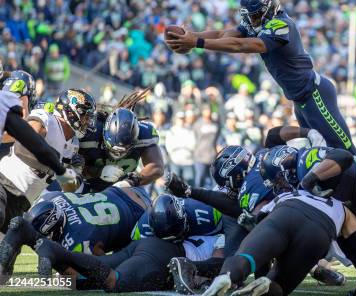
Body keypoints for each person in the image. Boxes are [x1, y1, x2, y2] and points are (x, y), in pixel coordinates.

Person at [165, 0, 356, 156]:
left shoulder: (282, 25)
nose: (252, 20)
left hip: (315, 94)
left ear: (270, 8)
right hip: (300, 99)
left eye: (256, 15)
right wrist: (191, 37)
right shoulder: (260, 22)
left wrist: (197, 42)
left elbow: (243, 46)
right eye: (250, 16)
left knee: (344, 150)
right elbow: (223, 34)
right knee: (323, 152)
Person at [202, 148, 356, 296]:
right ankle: (268, 284)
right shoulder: (342, 208)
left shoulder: (285, 194)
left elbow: (261, 231)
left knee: (244, 259)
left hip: (284, 213)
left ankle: (226, 276)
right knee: (279, 286)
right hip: (320, 230)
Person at [0, 194, 222, 292]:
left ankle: (32, 237)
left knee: (87, 282)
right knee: (113, 282)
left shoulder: (212, 228)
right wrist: (191, 269)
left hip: (147, 247)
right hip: (162, 255)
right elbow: (219, 265)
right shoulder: (221, 237)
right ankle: (49, 248)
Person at [0, 89, 94, 232]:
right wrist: (54, 163)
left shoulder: (73, 144)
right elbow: (25, 141)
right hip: (5, 183)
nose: (86, 122)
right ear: (70, 110)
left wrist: (74, 172)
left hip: (23, 202)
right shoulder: (47, 118)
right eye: (84, 116)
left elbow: (66, 186)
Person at [79, 106, 164, 192]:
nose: (117, 154)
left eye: (122, 151)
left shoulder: (144, 135)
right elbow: (73, 167)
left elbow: (157, 167)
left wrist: (132, 181)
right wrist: (98, 171)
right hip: (89, 187)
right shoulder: (90, 132)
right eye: (111, 148)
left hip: (125, 191)